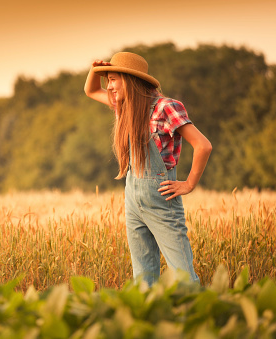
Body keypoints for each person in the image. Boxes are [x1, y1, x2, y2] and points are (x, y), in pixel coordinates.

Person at [84, 52, 212, 286]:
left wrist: (189, 184)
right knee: (143, 279)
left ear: (130, 80)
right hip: (132, 199)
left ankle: (196, 317)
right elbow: (90, 91)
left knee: (184, 277)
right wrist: (95, 69)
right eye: (108, 80)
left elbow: (203, 145)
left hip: (161, 198)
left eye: (113, 79)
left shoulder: (166, 107)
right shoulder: (123, 107)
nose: (109, 86)